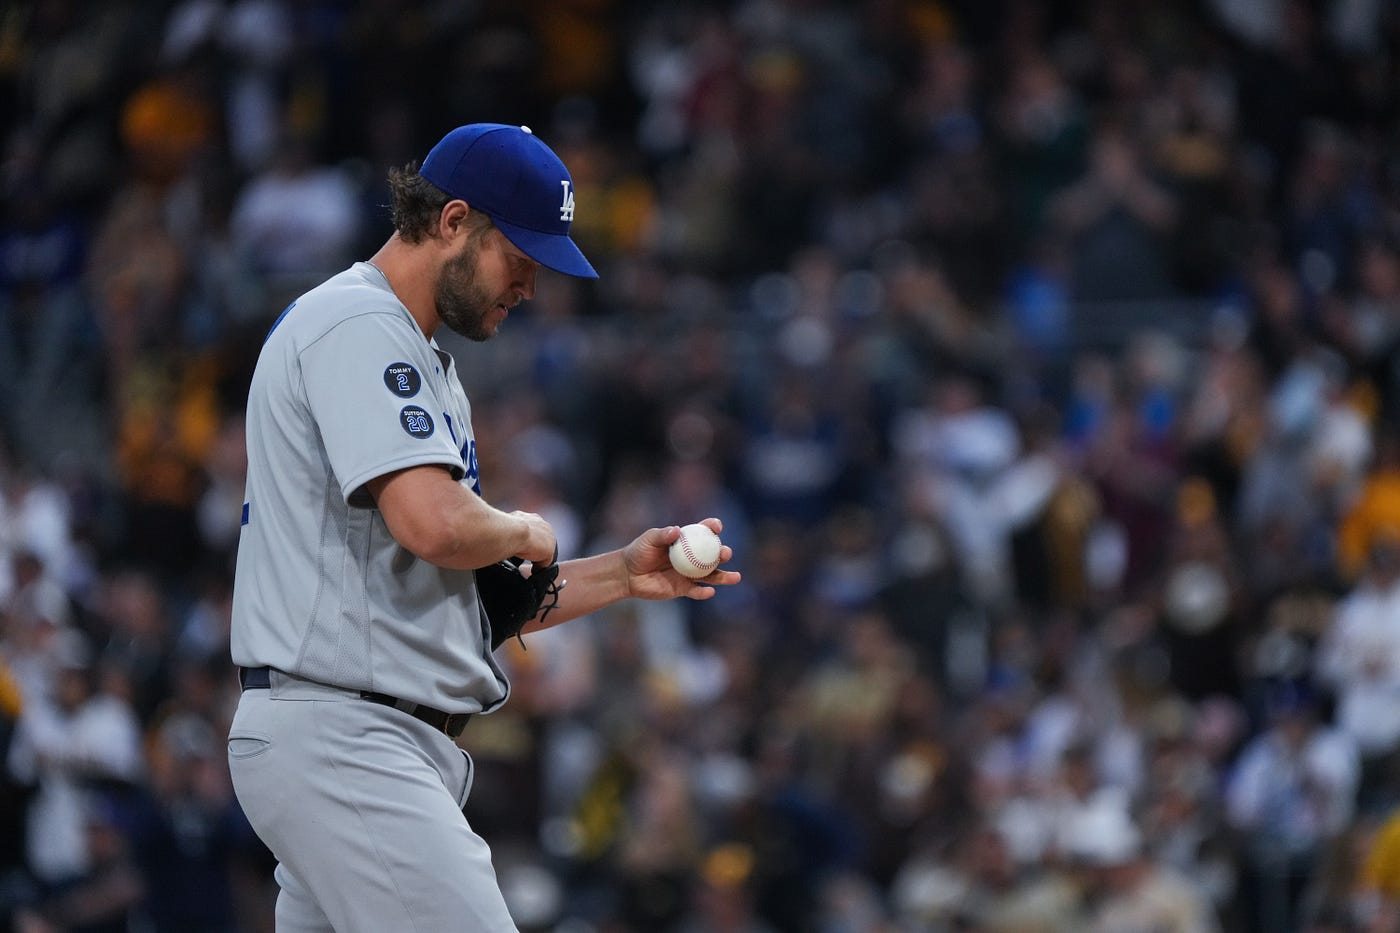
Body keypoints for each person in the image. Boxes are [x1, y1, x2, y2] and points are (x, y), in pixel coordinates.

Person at [224, 123, 740, 933]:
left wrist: (622, 573)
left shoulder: (426, 363)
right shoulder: (359, 325)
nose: (531, 286)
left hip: (358, 735)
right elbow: (437, 526)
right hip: (349, 739)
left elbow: (476, 599)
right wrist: (526, 526)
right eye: (521, 258)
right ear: (454, 220)